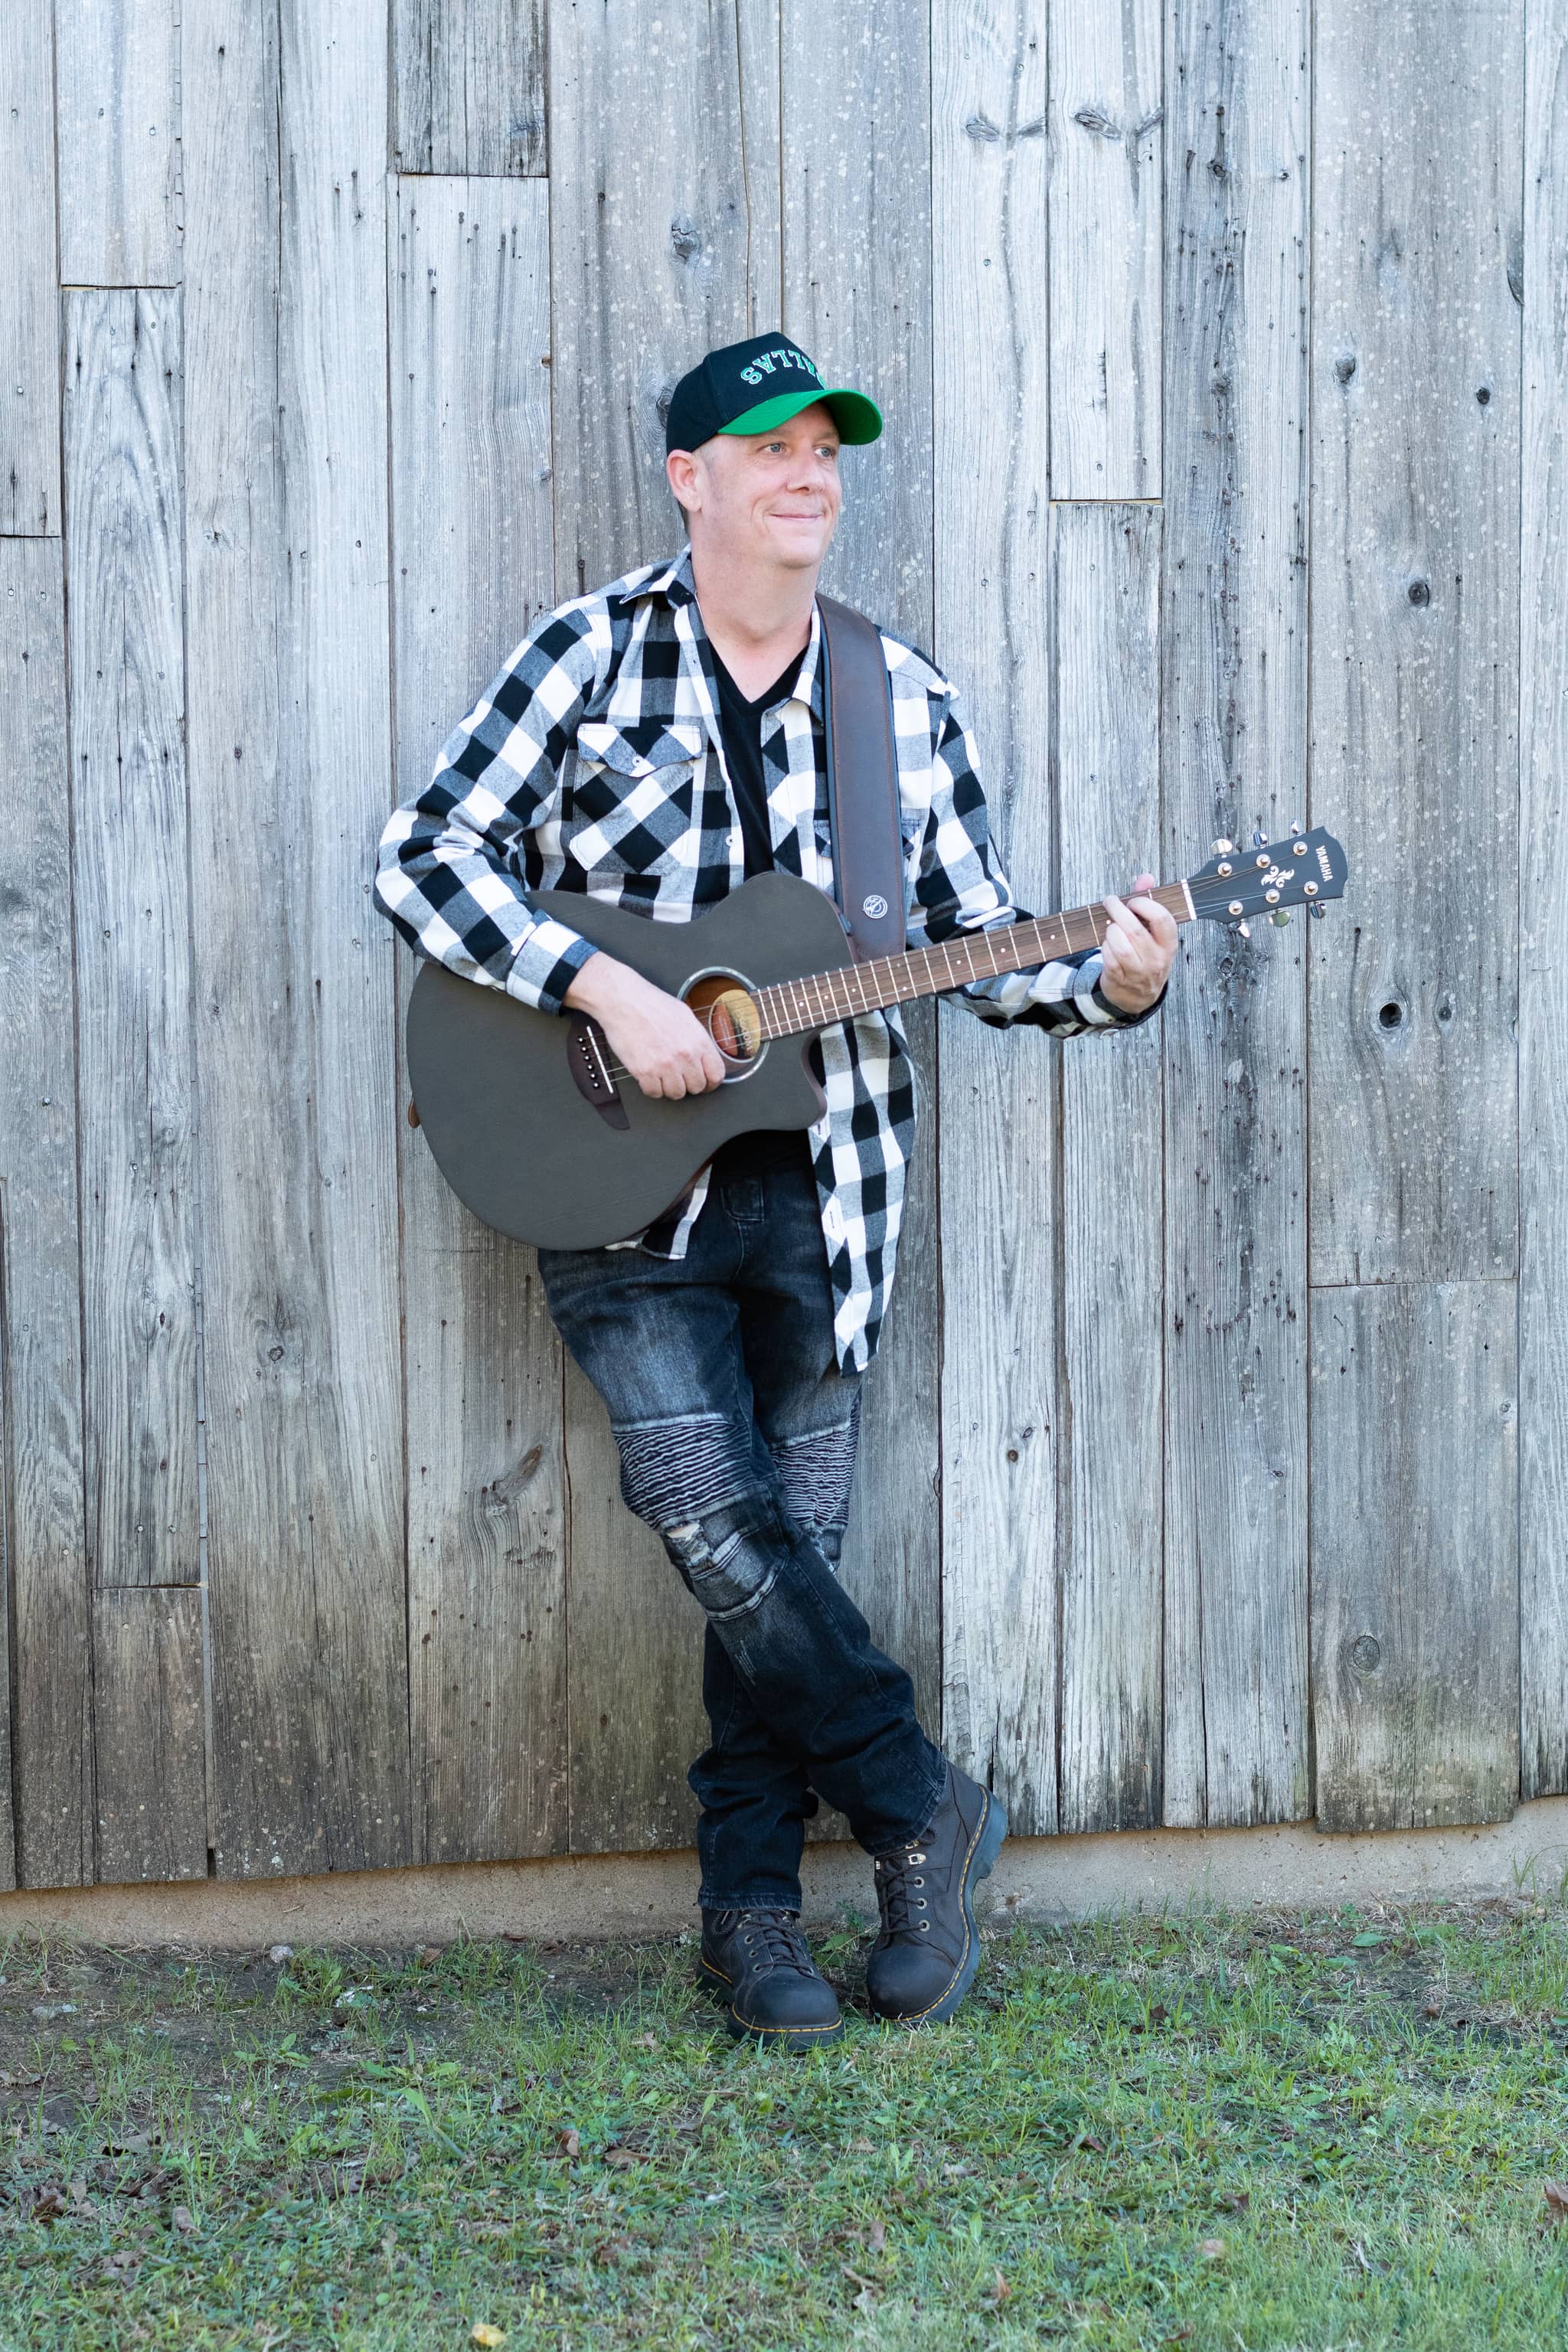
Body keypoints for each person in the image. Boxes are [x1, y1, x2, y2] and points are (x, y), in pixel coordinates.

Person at [374, 332, 1177, 2047]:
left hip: (833, 1199)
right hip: (611, 1182)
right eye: (768, 446)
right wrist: (609, 989)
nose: (806, 471)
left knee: (780, 1565)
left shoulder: (899, 699)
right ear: (691, 478)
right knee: (717, 1524)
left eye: (826, 446)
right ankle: (916, 1812)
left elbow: (975, 948)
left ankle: (752, 1921)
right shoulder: (589, 657)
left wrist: (1109, 979)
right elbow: (422, 853)